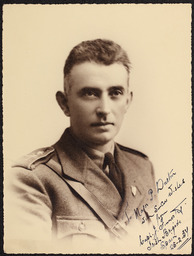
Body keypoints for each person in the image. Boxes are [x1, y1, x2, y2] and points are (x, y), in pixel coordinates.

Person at [5, 39, 157, 253]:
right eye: (90, 93)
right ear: (64, 104)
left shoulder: (142, 169)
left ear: (128, 102)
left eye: (115, 93)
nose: (104, 109)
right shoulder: (32, 178)